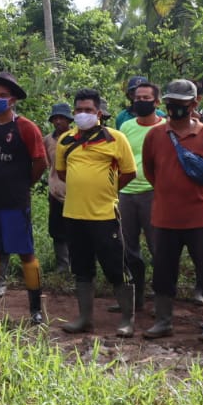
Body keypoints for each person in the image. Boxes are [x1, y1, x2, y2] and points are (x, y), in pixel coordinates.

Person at [141, 80, 203, 341]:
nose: (175, 108)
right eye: (171, 103)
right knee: (163, 271)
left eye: (181, 104)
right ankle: (163, 321)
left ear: (193, 104)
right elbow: (150, 171)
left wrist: (197, 195)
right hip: (165, 216)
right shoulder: (155, 135)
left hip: (201, 215)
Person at [54, 90, 137, 335]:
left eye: (88, 110)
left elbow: (129, 172)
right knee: (81, 268)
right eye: (78, 110)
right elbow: (62, 173)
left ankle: (127, 320)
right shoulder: (66, 140)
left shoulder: (116, 138)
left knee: (116, 267)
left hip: (105, 216)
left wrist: (107, 190)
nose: (82, 114)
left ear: (99, 113)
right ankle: (84, 319)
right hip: (73, 215)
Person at [0, 72, 48, 322]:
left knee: (25, 253)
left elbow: (40, 162)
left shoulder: (26, 128)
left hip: (16, 202)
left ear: (13, 100)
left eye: (2, 96)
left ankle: (36, 308)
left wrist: (25, 183)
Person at [117, 81, 164, 313]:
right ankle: (135, 299)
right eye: (138, 98)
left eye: (146, 98)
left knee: (159, 248)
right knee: (128, 247)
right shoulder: (126, 127)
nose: (141, 102)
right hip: (126, 193)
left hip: (154, 193)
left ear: (157, 102)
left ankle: (161, 299)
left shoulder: (166, 127)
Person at [43, 103, 73, 276]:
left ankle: (77, 264)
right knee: (57, 229)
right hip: (56, 190)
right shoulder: (48, 140)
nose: (59, 121)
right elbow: (47, 163)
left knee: (75, 229)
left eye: (62, 118)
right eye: (56, 118)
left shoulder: (77, 137)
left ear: (69, 120)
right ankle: (62, 266)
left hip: (76, 190)